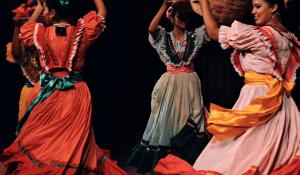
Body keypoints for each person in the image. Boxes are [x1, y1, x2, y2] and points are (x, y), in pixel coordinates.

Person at [155, 0, 300, 174]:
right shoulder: (289, 37)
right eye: (253, 6)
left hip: (259, 99)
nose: (253, 11)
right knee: (272, 152)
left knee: (240, 153)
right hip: (284, 105)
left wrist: (203, 2)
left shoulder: (258, 35)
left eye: (258, 6)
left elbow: (214, 32)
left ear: (274, 7)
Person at [0, 0, 128, 174]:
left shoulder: (39, 32)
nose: (43, 12)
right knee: (71, 143)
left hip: (47, 94)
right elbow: (102, 12)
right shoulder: (82, 32)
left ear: (52, 13)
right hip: (76, 93)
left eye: (45, 9)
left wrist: (39, 5)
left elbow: (26, 27)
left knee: (42, 142)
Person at [127, 0, 210, 173]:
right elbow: (151, 29)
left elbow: (211, 28)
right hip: (170, 84)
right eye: (180, 15)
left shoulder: (194, 36)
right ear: (172, 18)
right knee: (168, 119)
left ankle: (186, 160)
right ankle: (166, 163)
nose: (184, 19)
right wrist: (164, 5)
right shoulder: (164, 37)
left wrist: (202, 5)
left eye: (186, 16)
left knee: (192, 117)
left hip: (189, 84)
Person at [6, 0, 42, 121]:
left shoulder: (46, 36)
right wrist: (17, 25)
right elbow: (16, 55)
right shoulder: (21, 43)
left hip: (51, 91)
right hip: (31, 92)